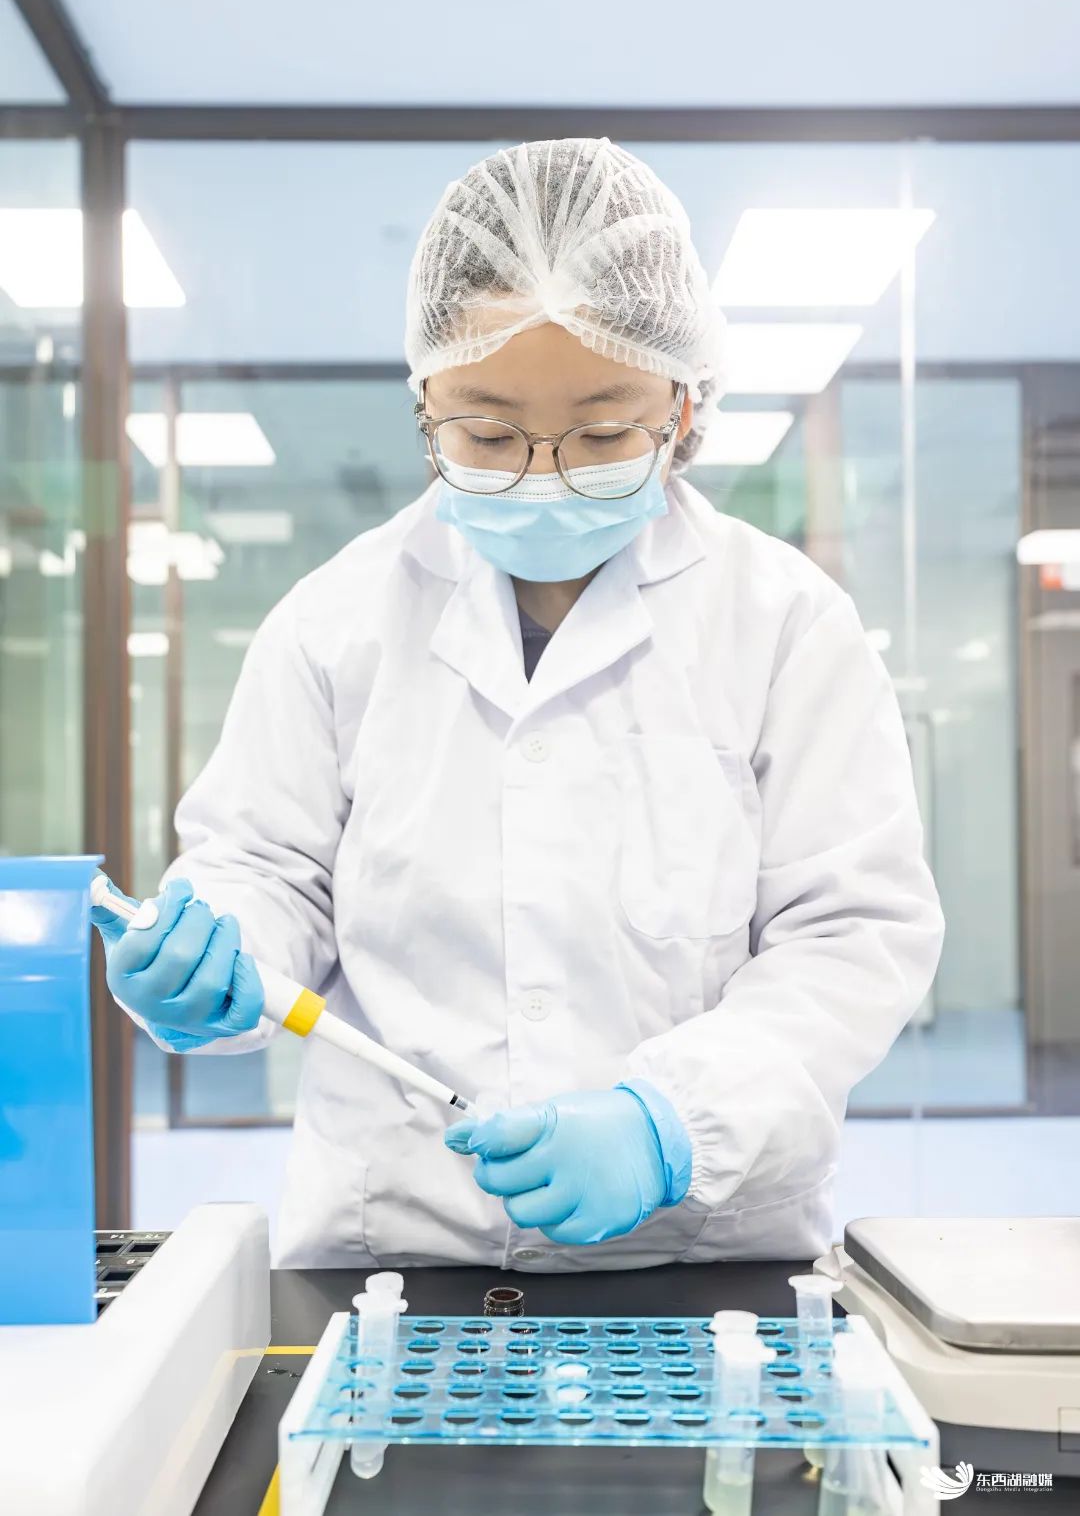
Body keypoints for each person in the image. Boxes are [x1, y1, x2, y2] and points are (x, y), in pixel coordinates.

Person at [93, 138, 943, 1271]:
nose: (543, 472)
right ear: (424, 406)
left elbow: (849, 936)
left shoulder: (785, 624)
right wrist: (218, 948)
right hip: (399, 1247)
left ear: (686, 409)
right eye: (488, 433)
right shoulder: (335, 619)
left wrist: (673, 1124)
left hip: (702, 1254)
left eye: (603, 432)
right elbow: (267, 867)